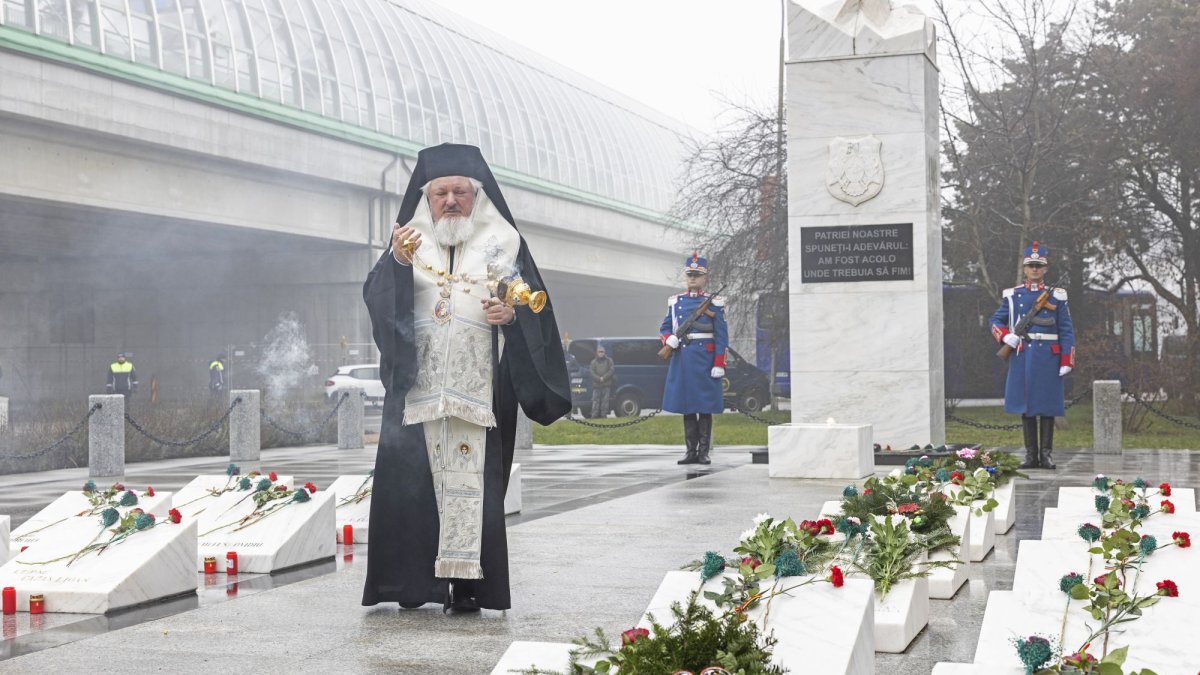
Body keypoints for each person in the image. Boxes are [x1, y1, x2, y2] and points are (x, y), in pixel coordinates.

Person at [361, 144, 570, 613]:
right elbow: (376, 300)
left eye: (459, 191)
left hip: (479, 395)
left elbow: (537, 310)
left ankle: (469, 589)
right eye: (440, 193)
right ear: (426, 198)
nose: (450, 200)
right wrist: (395, 264)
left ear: (476, 196)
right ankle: (416, 587)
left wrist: (510, 319)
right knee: (414, 489)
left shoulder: (505, 242)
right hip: (419, 394)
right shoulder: (406, 242)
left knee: (473, 489)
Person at [989, 241, 1075, 470]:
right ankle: (1031, 456)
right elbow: (995, 321)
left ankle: (1046, 455)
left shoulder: (1057, 296)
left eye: (1039, 265)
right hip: (1023, 356)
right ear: (1025, 269)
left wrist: (1067, 359)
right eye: (1031, 266)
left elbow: (1066, 329)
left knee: (1047, 406)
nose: (1035, 269)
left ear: (1045, 269)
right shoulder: (1013, 295)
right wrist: (1005, 337)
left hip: (1049, 357)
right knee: (1026, 407)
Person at [659, 253, 728, 465]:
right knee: (688, 406)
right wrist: (669, 339)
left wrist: (718, 363)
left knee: (704, 406)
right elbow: (665, 328)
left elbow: (721, 336)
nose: (692, 279)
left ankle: (704, 452)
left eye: (697, 275)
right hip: (684, 359)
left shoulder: (715, 303)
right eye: (690, 275)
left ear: (704, 278)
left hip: (705, 361)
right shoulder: (676, 302)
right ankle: (690, 451)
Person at [588, 345, 615, 418]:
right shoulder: (593, 362)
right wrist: (598, 378)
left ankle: (604, 415)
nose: (601, 353)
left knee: (605, 401)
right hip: (596, 385)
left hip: (606, 384)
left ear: (604, 352)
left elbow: (611, 370)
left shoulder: (609, 360)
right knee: (595, 401)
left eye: (602, 352)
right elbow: (591, 372)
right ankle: (594, 415)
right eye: (599, 352)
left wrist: (604, 378)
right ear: (597, 353)